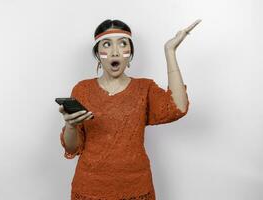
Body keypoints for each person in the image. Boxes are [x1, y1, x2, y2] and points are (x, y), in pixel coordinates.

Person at [59, 19, 201, 200]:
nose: (115, 51)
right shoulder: (82, 89)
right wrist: (70, 126)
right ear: (97, 53)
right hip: (89, 188)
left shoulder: (145, 88)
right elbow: (72, 147)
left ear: (130, 53)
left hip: (136, 188)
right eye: (107, 44)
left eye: (123, 44)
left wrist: (170, 51)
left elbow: (178, 107)